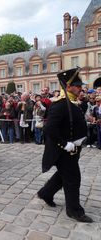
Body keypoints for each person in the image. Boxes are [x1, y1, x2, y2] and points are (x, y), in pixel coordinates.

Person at [38, 68, 93, 223]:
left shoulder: (74, 102)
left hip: (74, 149)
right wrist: (64, 144)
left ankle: (46, 193)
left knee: (63, 175)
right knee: (73, 178)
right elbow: (49, 128)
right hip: (63, 150)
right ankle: (74, 211)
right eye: (76, 85)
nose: (80, 87)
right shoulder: (60, 104)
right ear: (68, 87)